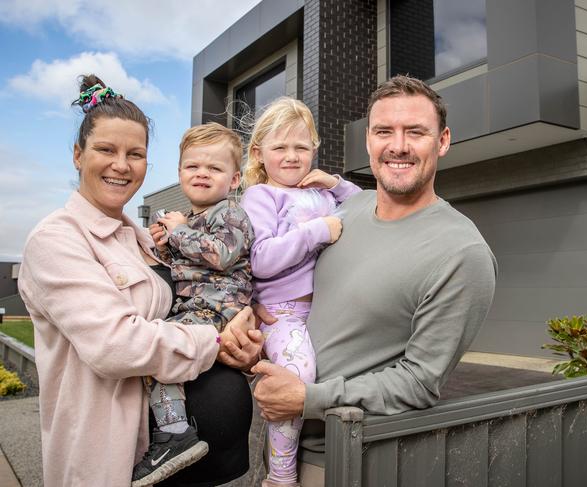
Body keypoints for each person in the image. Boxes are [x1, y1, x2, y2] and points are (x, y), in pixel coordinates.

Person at [250, 75, 498, 485]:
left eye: (415, 132)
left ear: (443, 141)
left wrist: (307, 399)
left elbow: (419, 383)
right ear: (368, 140)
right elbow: (282, 274)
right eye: (385, 131)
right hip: (277, 444)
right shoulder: (344, 210)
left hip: (350, 462)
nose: (398, 145)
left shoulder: (462, 253)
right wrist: (255, 319)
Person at [17, 75, 262, 487]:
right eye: (105, 150)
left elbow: (209, 289)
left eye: (136, 153)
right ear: (78, 155)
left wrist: (245, 340)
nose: (121, 164)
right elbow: (117, 345)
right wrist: (218, 343)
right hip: (118, 457)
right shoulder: (56, 240)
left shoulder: (146, 239)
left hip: (200, 464)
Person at [239, 97, 361, 487]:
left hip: (327, 310)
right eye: (280, 147)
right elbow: (260, 259)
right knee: (298, 374)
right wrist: (316, 231)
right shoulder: (261, 196)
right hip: (284, 312)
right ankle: (281, 476)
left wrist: (335, 183)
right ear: (259, 153)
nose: (291, 156)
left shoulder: (322, 193)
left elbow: (366, 207)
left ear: (314, 148)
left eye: (301, 146)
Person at [132, 122, 255, 486]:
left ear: (233, 180)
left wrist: (180, 231)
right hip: (195, 309)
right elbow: (184, 267)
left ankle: (173, 434)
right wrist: (164, 245)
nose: (202, 173)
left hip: (218, 310)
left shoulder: (231, 214)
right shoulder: (193, 218)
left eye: (214, 168)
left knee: (161, 350)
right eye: (192, 166)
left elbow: (222, 255)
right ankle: (173, 429)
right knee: (158, 355)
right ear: (180, 172)